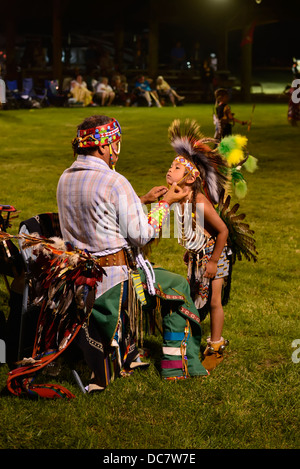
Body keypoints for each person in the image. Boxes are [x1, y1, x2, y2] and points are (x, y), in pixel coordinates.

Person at [56, 114, 209, 392]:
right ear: (104, 147)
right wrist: (164, 202)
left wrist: (142, 200)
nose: (117, 148)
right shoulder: (115, 181)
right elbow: (141, 234)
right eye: (116, 142)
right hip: (113, 282)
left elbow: (99, 211)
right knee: (177, 284)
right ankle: (179, 364)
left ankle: (129, 349)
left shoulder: (65, 178)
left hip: (80, 280)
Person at [166, 119, 258, 371]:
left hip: (214, 254)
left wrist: (214, 261)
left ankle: (216, 345)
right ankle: (190, 339)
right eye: (171, 165)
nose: (170, 170)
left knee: (214, 300)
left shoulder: (199, 200)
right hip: (197, 255)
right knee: (194, 297)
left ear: (190, 177)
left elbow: (223, 230)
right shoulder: (178, 197)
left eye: (176, 167)